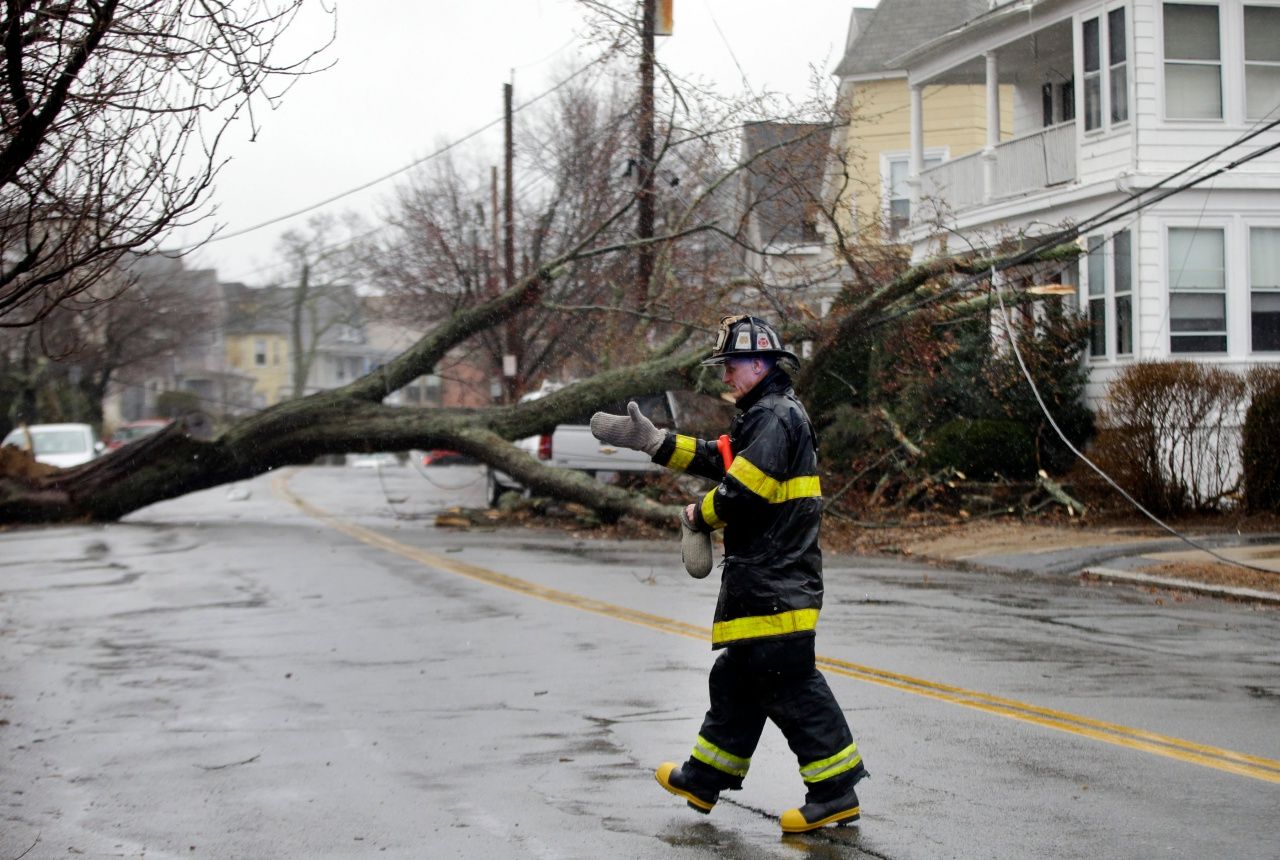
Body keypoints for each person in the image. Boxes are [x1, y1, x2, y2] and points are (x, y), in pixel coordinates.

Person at [589, 314, 867, 834]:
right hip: (769, 581)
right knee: (737, 678)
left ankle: (835, 793)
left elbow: (745, 490)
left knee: (788, 683)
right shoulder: (764, 415)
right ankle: (704, 777)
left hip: (776, 583)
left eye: (731, 365)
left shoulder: (776, 417)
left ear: (760, 363)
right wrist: (657, 443)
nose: (724, 376)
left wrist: (698, 516)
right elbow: (725, 461)